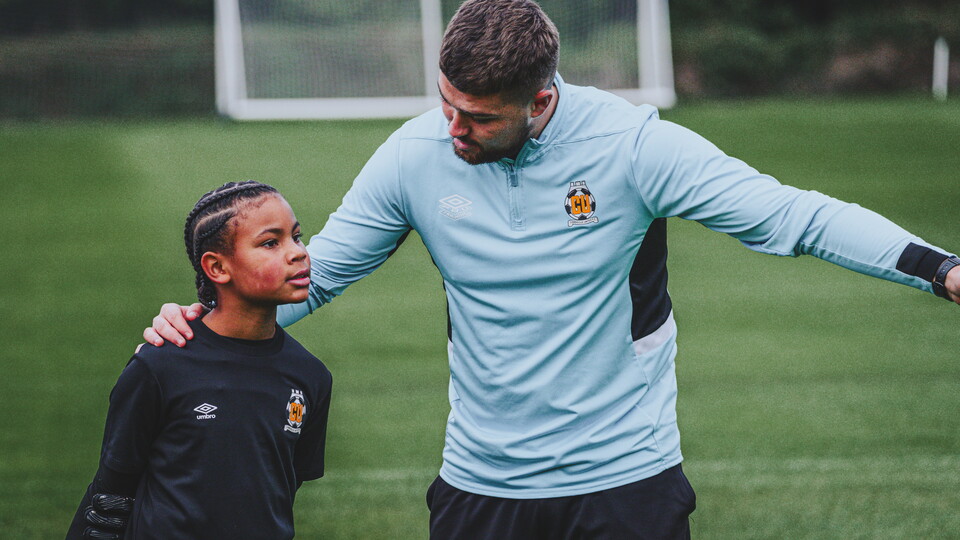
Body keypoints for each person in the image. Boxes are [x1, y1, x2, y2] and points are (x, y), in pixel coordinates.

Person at [145, 1, 960, 538]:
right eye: (446, 104)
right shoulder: (414, 155)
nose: (453, 129)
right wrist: (198, 327)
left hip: (625, 482)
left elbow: (797, 218)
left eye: (478, 118)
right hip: (481, 485)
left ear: (541, 100)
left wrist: (943, 270)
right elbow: (308, 281)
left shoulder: (636, 147)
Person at [68, 181, 332, 539]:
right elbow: (110, 494)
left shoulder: (310, 376)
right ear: (218, 268)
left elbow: (284, 486)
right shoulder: (159, 367)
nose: (298, 253)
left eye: (296, 237)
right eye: (271, 243)